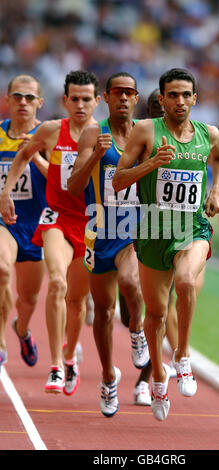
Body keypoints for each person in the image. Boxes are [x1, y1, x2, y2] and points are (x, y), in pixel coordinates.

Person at [112, 68, 219, 421]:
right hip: (153, 232)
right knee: (156, 314)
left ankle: (183, 355)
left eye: (185, 95)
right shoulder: (147, 130)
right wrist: (152, 164)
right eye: (172, 95)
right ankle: (159, 375)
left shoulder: (209, 134)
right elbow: (118, 180)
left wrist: (216, 189)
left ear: (195, 98)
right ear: (161, 99)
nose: (179, 101)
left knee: (187, 281)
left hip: (191, 227)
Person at [0, 70, 100, 396]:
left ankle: (59, 349)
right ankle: (55, 365)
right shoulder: (51, 130)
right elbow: (22, 157)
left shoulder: (107, 136)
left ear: (97, 101)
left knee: (71, 300)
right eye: (75, 99)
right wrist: (5, 192)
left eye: (87, 99)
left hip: (88, 221)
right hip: (50, 218)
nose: (81, 105)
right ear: (64, 101)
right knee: (54, 282)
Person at [68, 72, 150, 417]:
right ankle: (108, 378)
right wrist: (93, 158)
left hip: (135, 227)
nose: (123, 97)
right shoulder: (93, 133)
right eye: (117, 91)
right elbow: (74, 186)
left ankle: (137, 334)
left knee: (131, 282)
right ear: (106, 97)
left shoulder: (145, 133)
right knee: (101, 312)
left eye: (129, 92)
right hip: (100, 230)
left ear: (135, 98)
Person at [0, 74, 48, 373]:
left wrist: (33, 155)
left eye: (29, 97)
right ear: (7, 100)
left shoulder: (50, 136)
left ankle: (22, 329)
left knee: (28, 298)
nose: (23, 102)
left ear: (39, 103)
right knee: (2, 270)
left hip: (37, 224)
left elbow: (63, 182)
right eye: (17, 96)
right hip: (4, 221)